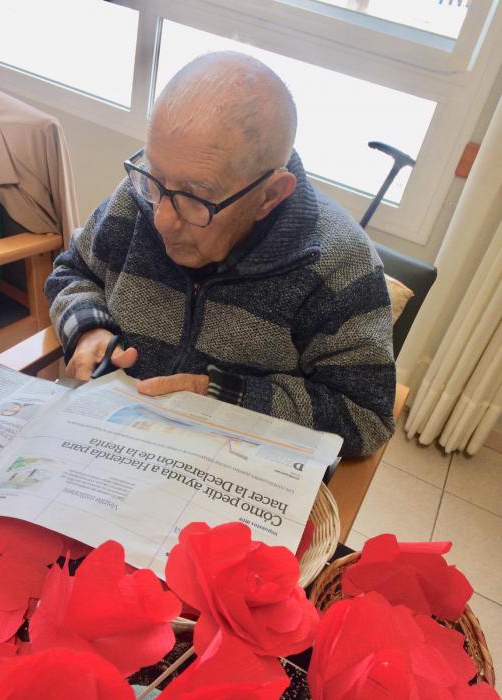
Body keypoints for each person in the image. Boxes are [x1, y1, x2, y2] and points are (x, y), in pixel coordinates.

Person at [45, 52, 396, 457]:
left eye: (195, 197)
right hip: (106, 443)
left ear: (269, 195)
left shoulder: (340, 265)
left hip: (224, 465)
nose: (161, 219)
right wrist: (88, 329)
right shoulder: (137, 198)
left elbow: (366, 416)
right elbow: (73, 270)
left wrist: (220, 397)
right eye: (155, 178)